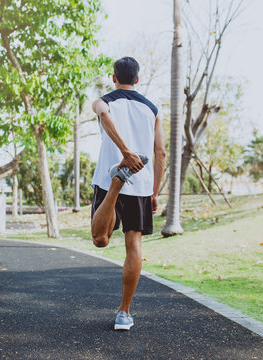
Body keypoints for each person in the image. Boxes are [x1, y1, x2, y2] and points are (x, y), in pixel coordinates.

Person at [90, 56, 166, 331]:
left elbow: (104, 115)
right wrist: (154, 191)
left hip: (108, 179)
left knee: (100, 240)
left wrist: (124, 153)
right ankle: (124, 312)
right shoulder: (153, 109)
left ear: (114, 78)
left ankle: (116, 183)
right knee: (134, 246)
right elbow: (160, 153)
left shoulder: (103, 100)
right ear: (137, 79)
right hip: (142, 183)